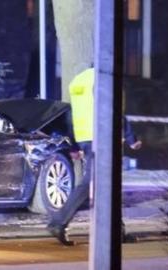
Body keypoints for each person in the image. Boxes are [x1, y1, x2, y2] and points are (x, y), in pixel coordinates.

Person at [47, 68, 142, 245]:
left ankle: (116, 232)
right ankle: (58, 222)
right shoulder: (107, 76)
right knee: (91, 184)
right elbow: (115, 110)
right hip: (103, 138)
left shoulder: (80, 79)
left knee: (108, 187)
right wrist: (131, 138)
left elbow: (71, 114)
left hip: (85, 137)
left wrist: (74, 145)